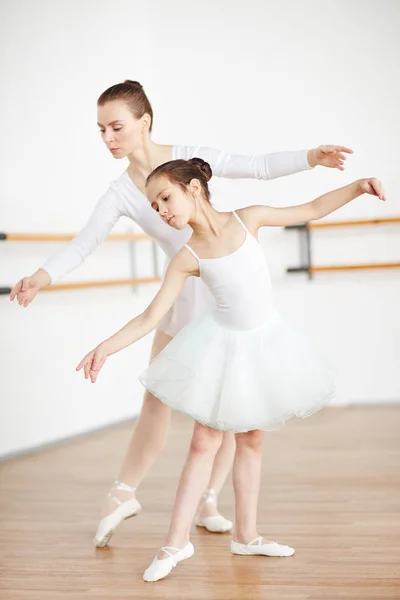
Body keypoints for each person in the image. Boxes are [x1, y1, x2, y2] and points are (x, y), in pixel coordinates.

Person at [10, 80, 353, 548]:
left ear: (144, 121)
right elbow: (84, 244)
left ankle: (209, 500)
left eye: (116, 127)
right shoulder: (121, 193)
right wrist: (40, 277)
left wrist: (312, 157)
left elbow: (255, 167)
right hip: (183, 296)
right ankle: (123, 493)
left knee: (234, 406)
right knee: (158, 399)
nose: (108, 138)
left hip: (225, 293)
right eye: (101, 130)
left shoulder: (189, 159)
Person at [77, 158, 385, 581]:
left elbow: (311, 209)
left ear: (194, 189)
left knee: (252, 439)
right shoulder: (186, 256)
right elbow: (150, 316)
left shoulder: (249, 219)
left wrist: (357, 187)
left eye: (165, 198)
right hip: (222, 349)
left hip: (264, 345)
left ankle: (247, 535)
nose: (161, 210)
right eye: (154, 206)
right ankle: (174, 543)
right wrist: (105, 348)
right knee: (204, 442)